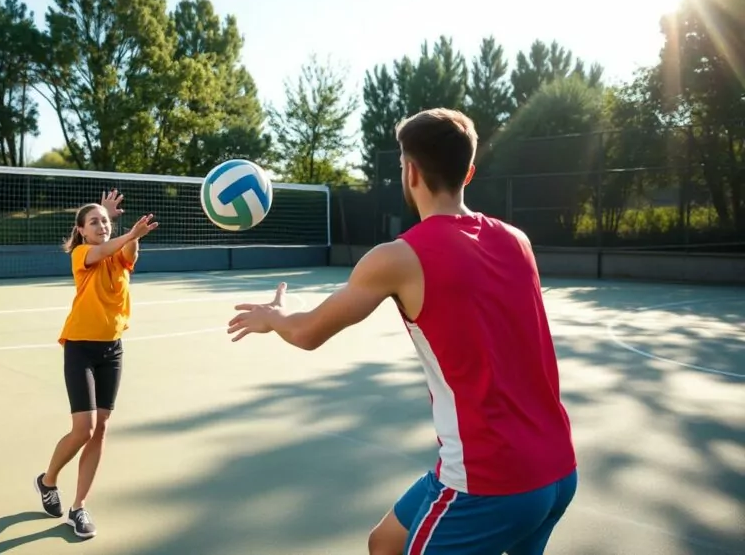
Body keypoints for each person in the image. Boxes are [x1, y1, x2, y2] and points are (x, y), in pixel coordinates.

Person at [227, 108, 578, 555]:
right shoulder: (516, 239)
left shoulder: (399, 257)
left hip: (487, 482)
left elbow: (308, 332)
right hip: (557, 469)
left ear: (410, 171)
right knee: (385, 543)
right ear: (468, 172)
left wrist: (273, 318)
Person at [35, 190, 158, 539]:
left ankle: (79, 507)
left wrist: (129, 235)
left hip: (112, 349)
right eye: (95, 222)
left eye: (104, 221)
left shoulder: (119, 251)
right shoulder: (81, 254)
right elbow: (105, 249)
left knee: (101, 427)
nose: (101, 226)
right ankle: (47, 481)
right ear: (81, 231)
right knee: (83, 429)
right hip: (80, 348)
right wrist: (126, 231)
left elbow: (127, 252)